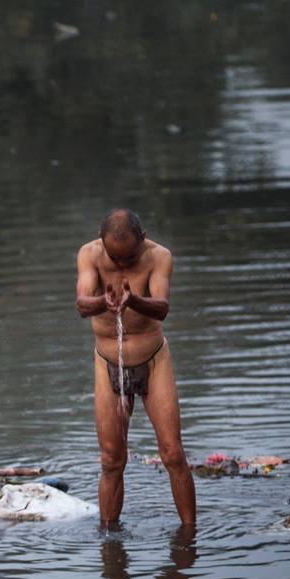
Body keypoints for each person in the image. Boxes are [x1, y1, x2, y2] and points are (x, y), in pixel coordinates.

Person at [75, 208, 196, 527]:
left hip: (154, 360)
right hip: (107, 362)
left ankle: (189, 534)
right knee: (111, 460)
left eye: (129, 258)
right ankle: (108, 538)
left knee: (172, 453)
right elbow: (82, 305)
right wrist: (105, 301)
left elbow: (162, 308)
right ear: (102, 243)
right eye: (116, 259)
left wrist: (132, 300)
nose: (123, 265)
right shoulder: (89, 254)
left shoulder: (159, 256)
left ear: (142, 240)